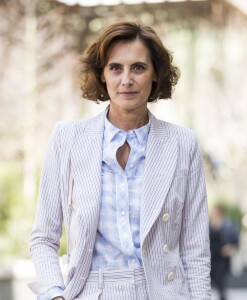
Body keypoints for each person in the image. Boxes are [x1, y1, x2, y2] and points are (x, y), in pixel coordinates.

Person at [28, 21, 211, 300]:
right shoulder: (68, 138)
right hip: (89, 292)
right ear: (102, 75)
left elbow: (195, 249)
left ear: (155, 74)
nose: (126, 79)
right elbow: (43, 237)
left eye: (138, 67)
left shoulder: (182, 143)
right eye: (116, 68)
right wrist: (54, 294)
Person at [209, 204, 239, 300]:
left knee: (221, 285)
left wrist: (229, 248)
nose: (214, 214)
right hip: (210, 258)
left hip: (222, 259)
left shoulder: (229, 226)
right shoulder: (208, 225)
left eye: (216, 211)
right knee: (207, 284)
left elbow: (235, 242)